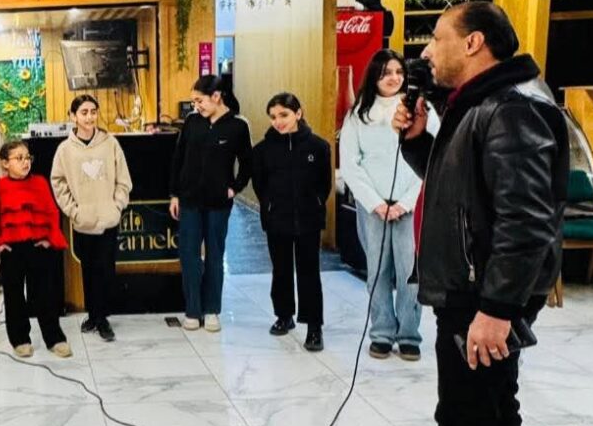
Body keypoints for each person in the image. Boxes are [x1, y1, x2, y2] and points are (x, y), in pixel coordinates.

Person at [393, 1, 567, 426]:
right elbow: (462, 188)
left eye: (436, 38)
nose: (427, 52)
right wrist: (417, 141)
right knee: (491, 413)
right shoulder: (479, 102)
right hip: (473, 286)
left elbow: (526, 219)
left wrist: (496, 308)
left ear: (473, 43)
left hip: (481, 295)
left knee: (468, 422)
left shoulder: (512, 107)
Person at [340, 50, 436, 361]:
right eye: (386, 72)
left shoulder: (421, 109)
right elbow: (350, 165)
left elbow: (433, 159)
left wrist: (406, 203)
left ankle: (409, 335)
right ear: (374, 77)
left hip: (411, 206)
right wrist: (376, 203)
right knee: (377, 271)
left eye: (398, 72)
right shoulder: (357, 115)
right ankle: (381, 333)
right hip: (373, 208)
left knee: (410, 273)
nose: (394, 78)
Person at [169, 74, 252, 332]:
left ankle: (212, 310)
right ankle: (193, 310)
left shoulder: (238, 126)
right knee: (189, 255)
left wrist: (234, 188)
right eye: (193, 101)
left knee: (215, 255)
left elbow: (248, 164)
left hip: (218, 203)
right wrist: (174, 194)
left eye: (199, 101)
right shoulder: (192, 122)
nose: (196, 106)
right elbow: (179, 158)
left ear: (216, 97)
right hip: (189, 200)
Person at [251, 92, 330, 351]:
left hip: (308, 220)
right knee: (281, 270)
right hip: (277, 219)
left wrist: (315, 203)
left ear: (298, 113)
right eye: (273, 117)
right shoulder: (262, 151)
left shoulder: (318, 147)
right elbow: (260, 185)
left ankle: (314, 326)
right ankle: (284, 315)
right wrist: (270, 206)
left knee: (309, 272)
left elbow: (324, 185)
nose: (278, 121)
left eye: (283, 115)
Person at [50, 94, 132, 342]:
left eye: (93, 112)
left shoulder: (110, 143)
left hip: (108, 219)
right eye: (84, 112)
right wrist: (74, 211)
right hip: (83, 221)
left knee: (106, 269)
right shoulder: (65, 149)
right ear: (73, 116)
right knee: (88, 269)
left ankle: (103, 317)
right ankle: (92, 315)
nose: (89, 117)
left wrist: (116, 206)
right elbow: (58, 182)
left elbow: (123, 180)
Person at [0, 140, 71, 358]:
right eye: (19, 158)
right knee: (14, 295)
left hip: (38, 246)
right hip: (12, 248)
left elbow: (52, 212)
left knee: (45, 293)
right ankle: (20, 339)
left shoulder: (39, 182)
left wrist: (48, 239)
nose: (25, 162)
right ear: (5, 163)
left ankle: (54, 337)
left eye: (28, 157)